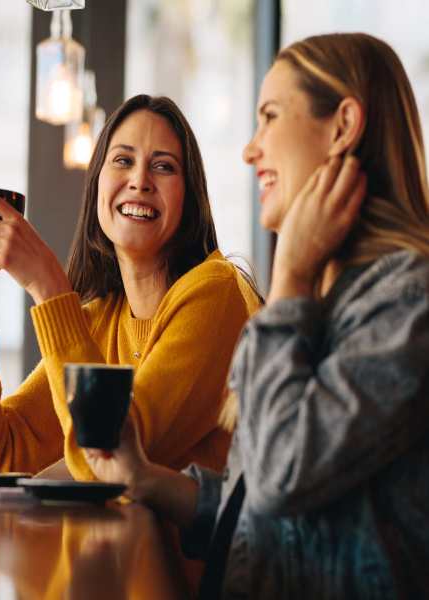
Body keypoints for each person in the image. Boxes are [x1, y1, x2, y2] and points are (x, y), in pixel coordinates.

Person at [85, 33, 429, 599]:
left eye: (270, 117)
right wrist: (148, 480)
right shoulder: (330, 304)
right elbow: (272, 520)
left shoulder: (408, 304)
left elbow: (281, 477)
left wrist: (289, 274)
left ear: (343, 126)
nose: (250, 149)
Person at [0, 94, 261, 480]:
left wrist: (48, 285)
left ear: (189, 198)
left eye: (163, 167)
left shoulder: (216, 294)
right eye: (123, 160)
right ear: (96, 187)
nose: (140, 181)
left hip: (199, 544)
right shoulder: (98, 320)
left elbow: (110, 462)